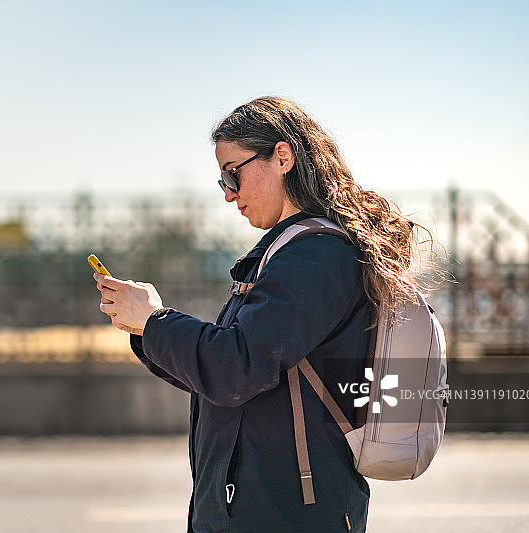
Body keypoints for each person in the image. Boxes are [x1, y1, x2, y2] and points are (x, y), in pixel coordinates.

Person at [94, 96, 421, 532]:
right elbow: (223, 373)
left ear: (282, 157)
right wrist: (146, 329)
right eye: (222, 180)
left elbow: (236, 367)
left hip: (284, 512)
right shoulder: (290, 252)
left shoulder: (316, 255)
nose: (229, 193)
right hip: (265, 504)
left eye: (234, 173)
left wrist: (155, 321)